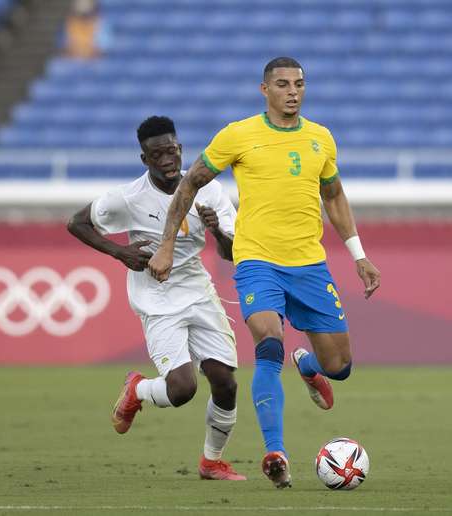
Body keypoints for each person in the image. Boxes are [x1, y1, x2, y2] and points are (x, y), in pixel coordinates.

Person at [147, 57, 382, 488]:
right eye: (283, 84)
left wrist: (358, 255)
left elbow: (334, 195)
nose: (293, 91)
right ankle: (276, 452)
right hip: (257, 261)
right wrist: (165, 245)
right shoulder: (239, 135)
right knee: (268, 342)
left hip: (309, 264)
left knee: (341, 366)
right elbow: (190, 182)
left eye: (299, 84)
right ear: (264, 90)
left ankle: (309, 366)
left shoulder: (321, 139)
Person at [67, 116, 245, 481]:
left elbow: (231, 254)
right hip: (157, 297)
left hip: (197, 291)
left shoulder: (209, 191)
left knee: (225, 382)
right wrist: (119, 252)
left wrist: (217, 233)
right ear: (144, 159)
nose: (167, 160)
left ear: (180, 150)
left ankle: (211, 462)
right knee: (182, 390)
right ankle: (138, 388)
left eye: (172, 151)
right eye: (157, 154)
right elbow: (77, 223)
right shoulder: (128, 198)